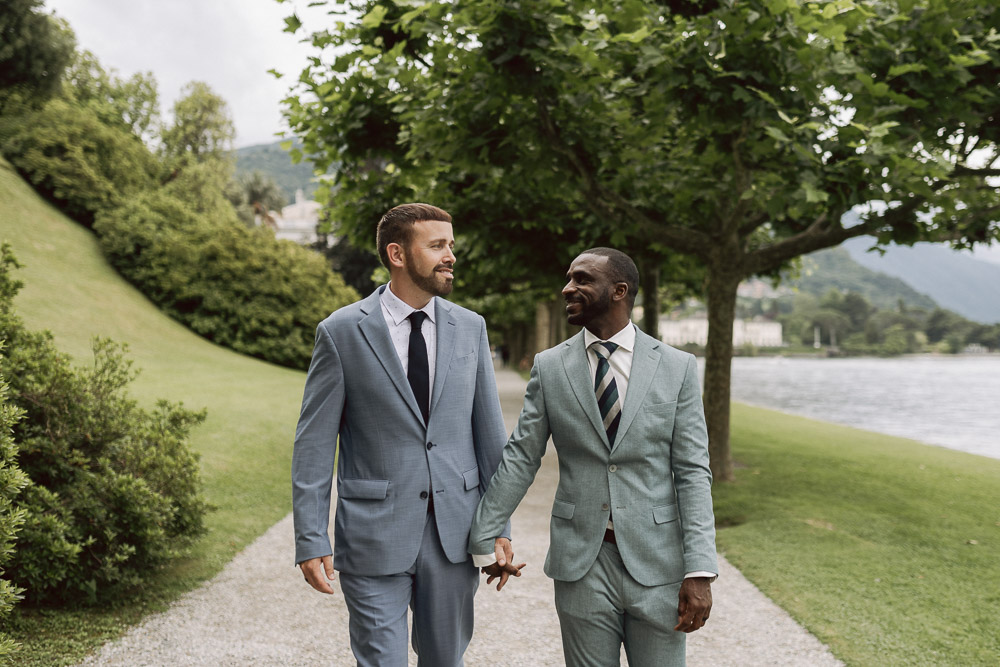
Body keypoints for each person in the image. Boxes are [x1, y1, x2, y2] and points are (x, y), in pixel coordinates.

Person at [292, 203, 522, 667]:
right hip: (373, 535)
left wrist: (498, 527)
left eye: (451, 245)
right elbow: (314, 445)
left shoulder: (471, 328)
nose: (450, 256)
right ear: (397, 253)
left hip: (454, 537)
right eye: (437, 245)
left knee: (445, 660)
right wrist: (311, 538)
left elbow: (490, 437)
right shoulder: (340, 333)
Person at [469, 248, 717, 666]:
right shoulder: (550, 367)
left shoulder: (677, 367)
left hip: (658, 564)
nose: (568, 288)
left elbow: (692, 473)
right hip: (581, 562)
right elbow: (522, 456)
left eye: (582, 279)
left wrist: (700, 570)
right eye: (569, 278)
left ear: (619, 291)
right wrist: (484, 535)